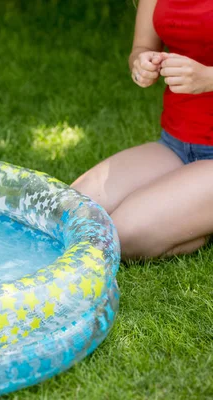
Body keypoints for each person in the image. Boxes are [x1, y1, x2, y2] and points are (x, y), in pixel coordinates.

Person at [71, 0, 213, 260]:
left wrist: (208, 78)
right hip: (175, 143)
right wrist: (142, 63)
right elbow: (142, 47)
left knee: (122, 235)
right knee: (70, 210)